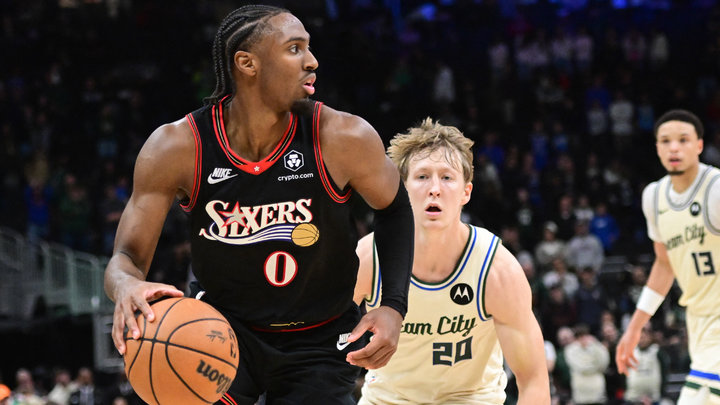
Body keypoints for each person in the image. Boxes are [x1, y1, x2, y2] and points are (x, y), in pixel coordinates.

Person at [104, 5, 414, 405]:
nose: (312, 61)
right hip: (220, 331)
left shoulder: (342, 136)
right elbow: (126, 257)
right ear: (247, 63)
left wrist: (393, 306)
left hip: (319, 340)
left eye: (308, 48)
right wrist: (126, 284)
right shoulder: (178, 146)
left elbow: (395, 208)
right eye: (294, 48)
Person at [354, 118, 549, 404]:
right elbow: (316, 343)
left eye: (446, 177)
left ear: (465, 192)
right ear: (400, 189)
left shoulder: (496, 268)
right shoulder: (369, 257)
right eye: (422, 177)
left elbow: (533, 380)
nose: (435, 188)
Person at [616, 109, 720, 404]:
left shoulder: (715, 189)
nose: (674, 147)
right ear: (657, 148)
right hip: (699, 320)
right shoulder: (654, 196)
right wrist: (634, 327)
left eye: (683, 140)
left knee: (697, 397)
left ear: (699, 145)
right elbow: (664, 265)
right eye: (666, 141)